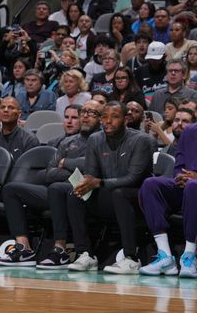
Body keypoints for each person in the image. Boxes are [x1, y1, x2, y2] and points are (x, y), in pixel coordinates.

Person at [0, 100, 103, 268]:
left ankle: (60, 249)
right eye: (84, 112)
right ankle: (24, 247)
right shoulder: (66, 142)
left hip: (86, 193)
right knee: (11, 189)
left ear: (101, 119)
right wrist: (73, 170)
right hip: (57, 192)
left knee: (57, 188)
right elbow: (50, 173)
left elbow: (91, 168)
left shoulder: (101, 140)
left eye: (92, 113)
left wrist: (65, 162)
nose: (85, 116)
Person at [64, 101, 154, 273]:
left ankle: (131, 258)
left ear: (126, 119)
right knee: (74, 194)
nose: (108, 121)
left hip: (138, 198)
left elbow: (133, 178)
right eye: (104, 117)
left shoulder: (142, 140)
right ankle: (85, 254)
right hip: (110, 196)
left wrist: (99, 182)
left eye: (114, 117)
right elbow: (90, 173)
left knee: (120, 194)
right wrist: (85, 183)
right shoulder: (95, 139)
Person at [139, 119, 197, 277]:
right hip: (187, 186)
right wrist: (180, 176)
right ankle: (165, 256)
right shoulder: (190, 131)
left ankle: (190, 256)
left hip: (193, 187)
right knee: (151, 184)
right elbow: (179, 166)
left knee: (193, 187)